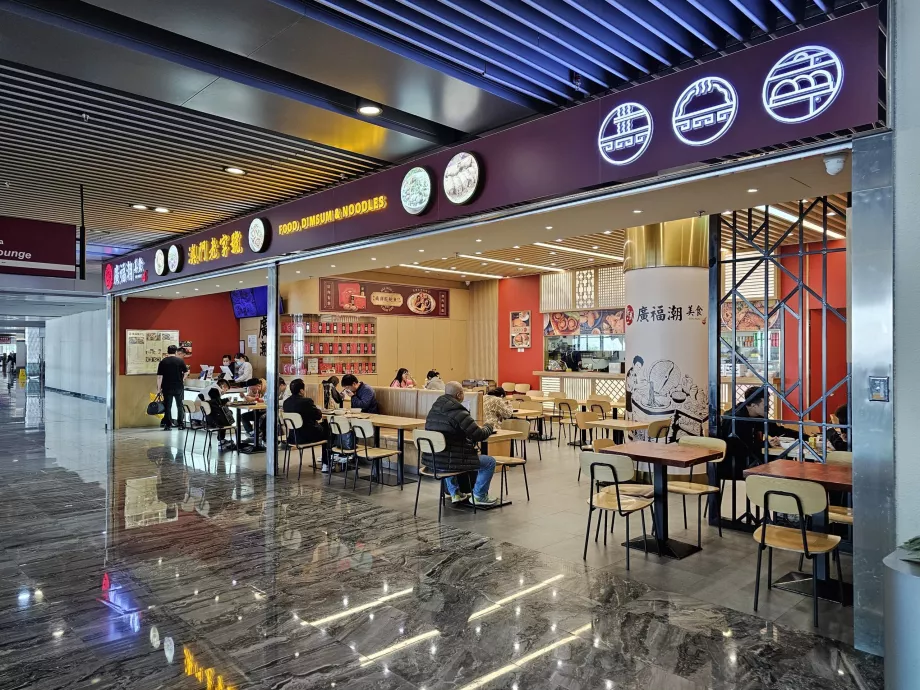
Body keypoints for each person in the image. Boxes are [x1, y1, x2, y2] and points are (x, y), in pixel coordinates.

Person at [424, 381, 498, 506]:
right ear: (459, 395)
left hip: (433, 460)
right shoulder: (458, 411)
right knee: (489, 462)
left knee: (446, 454)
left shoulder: (434, 409)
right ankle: (479, 496)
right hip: (452, 461)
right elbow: (479, 435)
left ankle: (455, 493)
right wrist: (489, 426)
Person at [719, 387, 805, 479]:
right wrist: (765, 444)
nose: (769, 407)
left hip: (752, 458)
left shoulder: (757, 416)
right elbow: (738, 448)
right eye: (766, 404)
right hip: (734, 464)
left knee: (786, 459)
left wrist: (805, 437)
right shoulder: (736, 419)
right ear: (753, 405)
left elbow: (778, 430)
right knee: (782, 461)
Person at [283, 378, 330, 470]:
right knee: (328, 429)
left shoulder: (286, 403)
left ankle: (328, 462)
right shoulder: (307, 401)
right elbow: (318, 416)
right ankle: (326, 463)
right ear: (301, 390)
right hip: (308, 437)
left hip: (293, 437)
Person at [156, 345, 189, 430]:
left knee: (168, 406)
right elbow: (186, 372)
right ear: (175, 352)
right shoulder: (180, 361)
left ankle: (168, 425)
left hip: (167, 387)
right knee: (179, 405)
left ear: (168, 351)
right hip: (178, 386)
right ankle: (181, 424)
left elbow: (160, 376)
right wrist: (182, 379)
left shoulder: (163, 362)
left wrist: (158, 389)